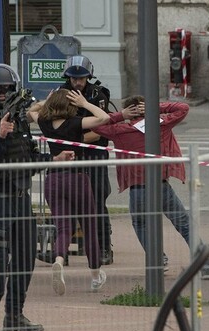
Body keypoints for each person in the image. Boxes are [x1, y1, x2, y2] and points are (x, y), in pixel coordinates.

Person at [0, 63, 74, 331]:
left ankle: (14, 315)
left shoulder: (20, 120)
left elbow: (26, 160)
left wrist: (55, 159)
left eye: (6, 88)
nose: (2, 93)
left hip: (20, 198)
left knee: (26, 258)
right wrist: (0, 136)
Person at [92, 96, 209, 279]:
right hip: (161, 184)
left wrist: (120, 115)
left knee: (141, 224)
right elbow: (183, 108)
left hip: (138, 188)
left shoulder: (121, 130)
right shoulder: (161, 123)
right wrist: (155, 107)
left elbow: (96, 126)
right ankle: (204, 263)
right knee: (184, 223)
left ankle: (158, 260)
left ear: (129, 112)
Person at [29, 89, 110, 296]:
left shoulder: (45, 123)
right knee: (89, 226)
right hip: (77, 178)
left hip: (53, 179)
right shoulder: (75, 122)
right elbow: (104, 118)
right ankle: (94, 276)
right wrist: (84, 102)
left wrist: (44, 102)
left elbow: (30, 112)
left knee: (64, 227)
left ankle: (58, 260)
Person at [59, 55, 115, 265]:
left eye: (81, 78)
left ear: (88, 76)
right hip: (70, 157)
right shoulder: (60, 94)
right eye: (74, 79)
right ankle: (60, 252)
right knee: (68, 204)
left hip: (94, 156)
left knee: (97, 202)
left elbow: (102, 129)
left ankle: (104, 248)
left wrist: (77, 139)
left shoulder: (97, 94)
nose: (77, 82)